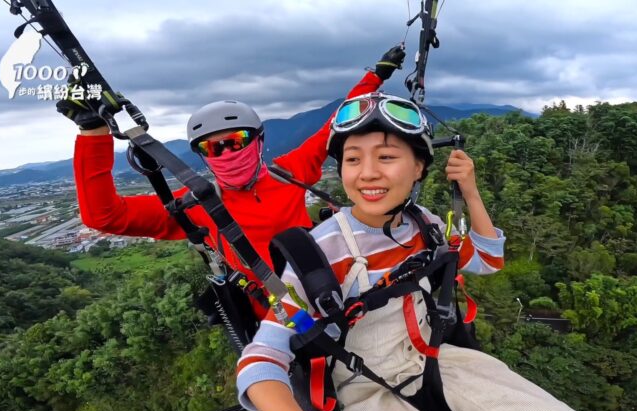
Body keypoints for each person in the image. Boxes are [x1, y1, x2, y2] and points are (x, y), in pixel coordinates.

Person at [236, 92, 579, 411]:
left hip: (430, 357)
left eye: (386, 157)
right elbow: (262, 358)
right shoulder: (321, 252)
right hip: (362, 386)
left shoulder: (424, 224)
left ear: (418, 168)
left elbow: (488, 262)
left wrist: (471, 194)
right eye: (353, 159)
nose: (368, 172)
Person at [58, 46, 406, 317]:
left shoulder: (290, 170)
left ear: (258, 140)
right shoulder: (195, 204)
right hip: (279, 320)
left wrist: (375, 76)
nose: (226, 152)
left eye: (236, 140)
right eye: (212, 147)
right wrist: (93, 133)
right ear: (202, 155)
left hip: (334, 290)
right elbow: (104, 216)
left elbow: (337, 119)